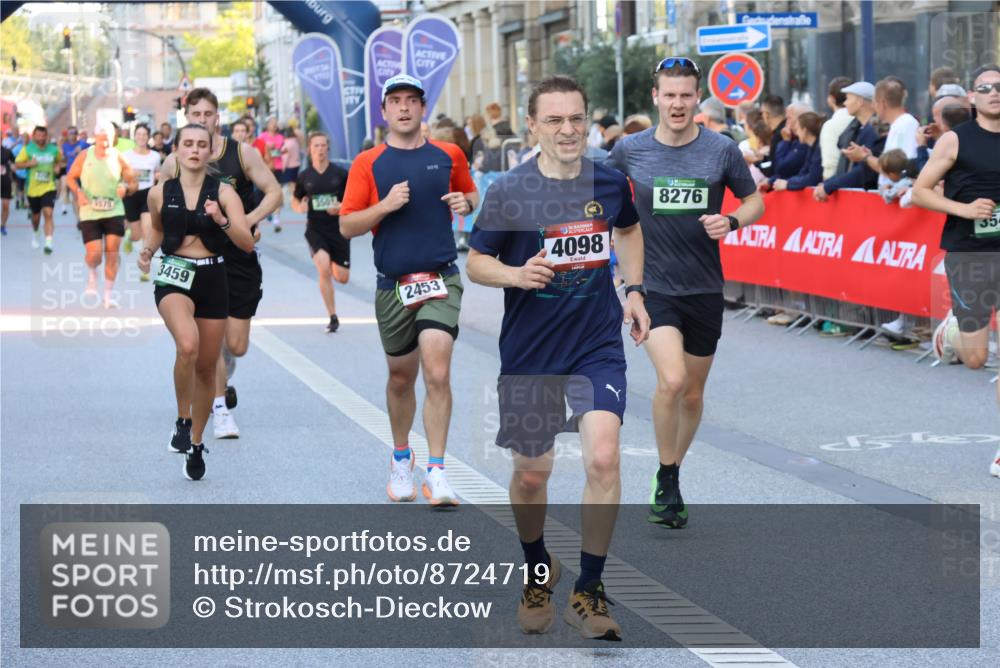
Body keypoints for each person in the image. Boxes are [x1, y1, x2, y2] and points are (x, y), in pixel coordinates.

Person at [467, 74, 649, 641]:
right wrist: (516, 274)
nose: (568, 129)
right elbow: (476, 262)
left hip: (595, 343)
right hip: (532, 350)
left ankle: (589, 589)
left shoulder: (610, 181)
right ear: (532, 126)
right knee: (531, 474)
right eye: (554, 120)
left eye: (576, 118)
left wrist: (634, 291)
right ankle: (537, 570)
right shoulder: (510, 190)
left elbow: (629, 231)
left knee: (603, 460)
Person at [607, 56, 764, 528]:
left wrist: (732, 220)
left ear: (697, 98)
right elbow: (602, 200)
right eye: (668, 94)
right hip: (652, 285)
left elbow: (754, 199)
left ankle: (671, 469)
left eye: (685, 95)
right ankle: (668, 474)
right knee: (671, 381)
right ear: (654, 97)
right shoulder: (629, 150)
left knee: (693, 395)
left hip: (704, 286)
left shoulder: (721, 150)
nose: (677, 103)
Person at [340, 74, 478, 505]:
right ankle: (402, 457)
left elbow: (471, 195)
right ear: (384, 112)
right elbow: (347, 224)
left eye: (411, 101)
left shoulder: (448, 154)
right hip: (393, 285)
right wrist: (383, 206)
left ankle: (436, 471)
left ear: (423, 109)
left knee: (437, 369)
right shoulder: (370, 163)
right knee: (401, 378)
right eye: (395, 101)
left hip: (440, 278)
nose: (403, 108)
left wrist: (465, 203)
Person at [159, 88, 283, 440]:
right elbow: (159, 204)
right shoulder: (175, 160)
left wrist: (251, 221)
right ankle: (219, 407)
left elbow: (275, 192)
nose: (202, 120)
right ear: (187, 118)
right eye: (195, 115)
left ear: (218, 116)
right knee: (203, 342)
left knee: (237, 345)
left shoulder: (241, 153)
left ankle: (219, 377)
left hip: (238, 255)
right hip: (196, 260)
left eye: (208, 114)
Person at [139, 123, 255, 481]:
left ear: (209, 151)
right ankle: (182, 418)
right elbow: (157, 229)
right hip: (174, 273)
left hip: (212, 275)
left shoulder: (224, 193)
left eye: (201, 144)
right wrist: (147, 250)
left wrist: (220, 219)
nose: (194, 150)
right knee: (187, 345)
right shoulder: (160, 192)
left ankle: (197, 442)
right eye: (186, 144)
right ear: (176, 150)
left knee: (207, 367)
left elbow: (246, 243)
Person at [911, 65, 1000, 478]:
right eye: (986, 88)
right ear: (972, 96)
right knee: (976, 359)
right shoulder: (955, 139)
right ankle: (950, 334)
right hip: (970, 255)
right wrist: (964, 209)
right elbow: (920, 192)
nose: (994, 94)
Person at [65, 122, 138, 307]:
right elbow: (70, 178)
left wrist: (126, 187)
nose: (104, 143)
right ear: (95, 138)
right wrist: (79, 193)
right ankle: (92, 272)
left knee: (112, 253)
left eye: (108, 140)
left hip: (114, 210)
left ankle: (108, 296)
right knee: (95, 255)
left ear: (113, 138)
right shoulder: (84, 155)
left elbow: (133, 183)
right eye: (101, 139)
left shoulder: (119, 157)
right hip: (90, 211)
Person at [292, 132, 351, 332]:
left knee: (342, 278)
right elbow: (295, 200)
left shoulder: (340, 174)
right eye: (315, 146)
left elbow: (353, 201)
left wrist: (340, 207)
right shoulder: (304, 176)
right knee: (323, 268)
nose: (319, 149)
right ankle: (332, 316)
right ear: (309, 149)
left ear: (328, 148)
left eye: (323, 145)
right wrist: (300, 207)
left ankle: (334, 263)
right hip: (315, 229)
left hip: (339, 230)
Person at [122, 123, 161, 281]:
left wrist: (158, 176)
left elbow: (158, 171)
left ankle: (144, 266)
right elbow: (121, 175)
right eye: (139, 134)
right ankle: (129, 237)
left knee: (147, 230)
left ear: (148, 137)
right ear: (134, 136)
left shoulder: (155, 156)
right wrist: (131, 175)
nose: (142, 137)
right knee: (137, 235)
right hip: (131, 194)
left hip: (148, 194)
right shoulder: (126, 155)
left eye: (145, 134)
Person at [15, 126, 63, 254]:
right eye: (38, 135)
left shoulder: (53, 150)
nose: (41, 138)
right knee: (36, 217)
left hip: (49, 187)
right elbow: (17, 164)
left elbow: (62, 161)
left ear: (47, 136)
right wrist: (28, 164)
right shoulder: (28, 149)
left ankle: (48, 242)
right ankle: (36, 232)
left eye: (43, 135)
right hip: (32, 189)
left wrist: (58, 167)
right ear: (34, 136)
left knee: (48, 213)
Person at [767, 111, 825, 192]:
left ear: (804, 130)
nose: (796, 133)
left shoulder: (819, 148)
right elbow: (802, 173)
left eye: (797, 129)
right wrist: (781, 182)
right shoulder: (811, 148)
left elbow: (812, 179)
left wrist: (787, 184)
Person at [820, 77, 855, 179]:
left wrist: (826, 186)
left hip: (836, 187)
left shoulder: (830, 126)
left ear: (831, 99)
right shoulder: (861, 121)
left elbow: (830, 164)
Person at [257, 117, 285, 232]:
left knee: (277, 193)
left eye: (275, 124)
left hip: (277, 167)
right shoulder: (262, 136)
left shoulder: (281, 137)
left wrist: (281, 151)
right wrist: (267, 148)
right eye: (271, 124)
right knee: (264, 193)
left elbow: (280, 151)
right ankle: (268, 212)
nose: (274, 126)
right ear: (267, 125)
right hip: (265, 168)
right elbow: (259, 151)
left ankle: (276, 219)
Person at [60, 126, 88, 214]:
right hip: (72, 175)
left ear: (77, 135)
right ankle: (78, 219)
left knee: (85, 195)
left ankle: (84, 214)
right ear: (67, 135)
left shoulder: (82, 144)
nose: (72, 136)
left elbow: (92, 147)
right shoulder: (65, 146)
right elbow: (63, 159)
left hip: (83, 174)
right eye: (70, 134)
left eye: (74, 133)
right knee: (75, 196)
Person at [280, 126, 301, 208]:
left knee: (288, 184)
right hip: (296, 164)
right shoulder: (295, 142)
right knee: (293, 184)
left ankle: (294, 200)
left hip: (289, 166)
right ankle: (296, 199)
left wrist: (282, 168)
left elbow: (285, 157)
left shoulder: (287, 144)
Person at [1, 143, 13, 235]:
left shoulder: (7, 152)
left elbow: (15, 162)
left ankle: (3, 225)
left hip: (5, 182)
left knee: (5, 205)